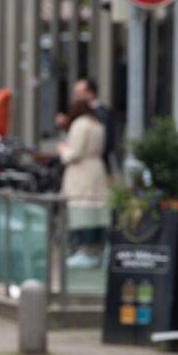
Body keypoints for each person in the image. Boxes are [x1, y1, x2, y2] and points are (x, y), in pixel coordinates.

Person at [58, 99, 109, 269]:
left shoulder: (80, 124)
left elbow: (75, 153)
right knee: (94, 212)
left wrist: (63, 150)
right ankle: (95, 251)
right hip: (96, 171)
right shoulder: (97, 124)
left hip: (81, 173)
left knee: (81, 211)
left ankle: (84, 252)